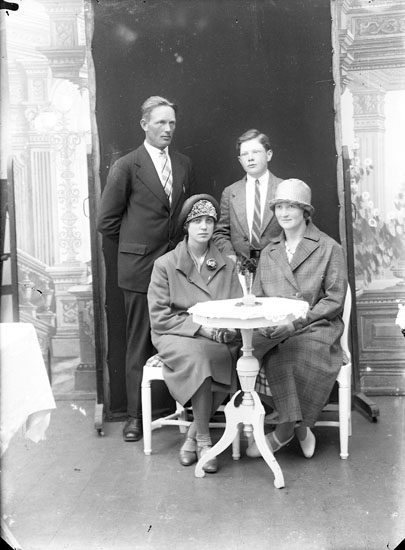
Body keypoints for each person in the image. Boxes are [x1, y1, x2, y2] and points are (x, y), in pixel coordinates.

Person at [97, 95, 195, 442]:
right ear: (144, 125)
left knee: (180, 337)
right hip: (139, 269)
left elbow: (183, 214)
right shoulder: (126, 165)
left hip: (176, 269)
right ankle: (135, 417)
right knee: (139, 343)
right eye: (160, 122)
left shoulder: (183, 163)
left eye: (172, 123)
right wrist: (138, 247)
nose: (167, 129)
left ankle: (184, 410)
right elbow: (107, 222)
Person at [247, 178, 347, 459]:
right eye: (279, 207)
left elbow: (334, 300)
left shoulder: (328, 247)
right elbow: (259, 297)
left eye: (291, 206)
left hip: (316, 326)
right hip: (275, 327)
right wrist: (268, 322)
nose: (284, 213)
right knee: (244, 354)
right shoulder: (269, 251)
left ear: (305, 211)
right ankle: (300, 426)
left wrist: (295, 322)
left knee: (287, 355)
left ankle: (284, 430)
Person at [147, 194, 242, 473]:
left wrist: (225, 329)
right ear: (186, 226)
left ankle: (192, 437)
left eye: (209, 221)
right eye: (197, 221)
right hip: (176, 334)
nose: (204, 227)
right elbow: (160, 317)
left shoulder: (226, 265)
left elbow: (235, 308)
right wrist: (201, 329)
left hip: (217, 337)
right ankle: (204, 440)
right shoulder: (165, 264)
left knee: (227, 356)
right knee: (201, 357)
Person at [213, 128, 283, 264]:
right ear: (240, 160)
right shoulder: (230, 192)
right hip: (241, 267)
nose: (250, 158)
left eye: (256, 152)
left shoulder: (283, 188)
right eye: (245, 154)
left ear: (268, 155)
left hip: (277, 266)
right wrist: (229, 254)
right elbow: (220, 232)